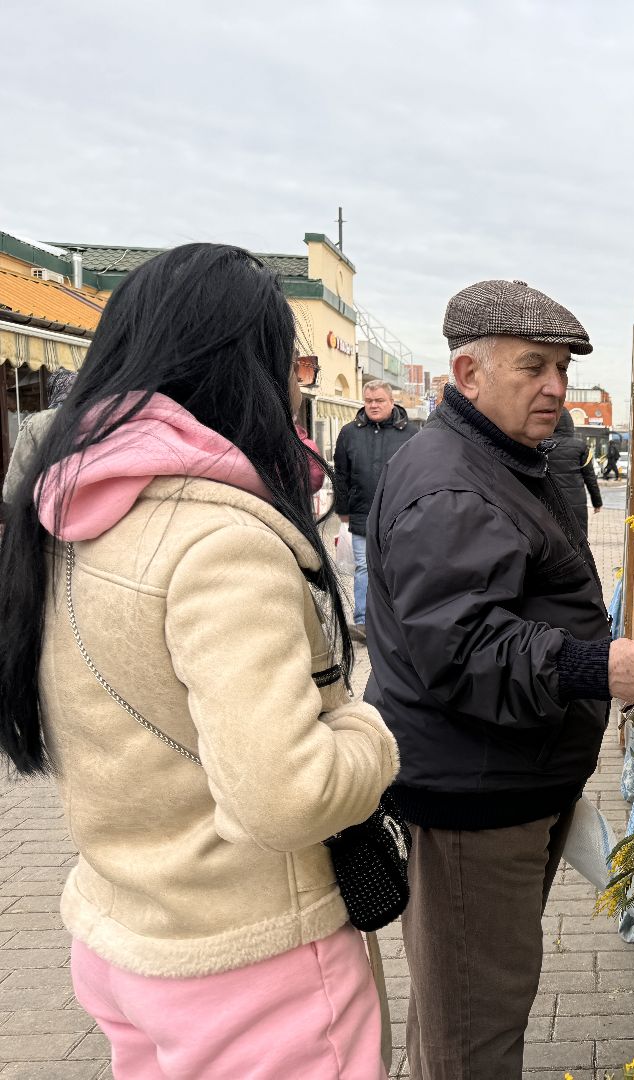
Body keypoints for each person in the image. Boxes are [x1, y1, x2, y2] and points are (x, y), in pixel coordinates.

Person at [0, 243, 400, 1079]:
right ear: (246, 370)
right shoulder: (220, 540)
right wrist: (368, 734)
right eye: (284, 360)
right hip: (253, 965)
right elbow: (287, 796)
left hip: (126, 937)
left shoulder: (67, 506)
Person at [363, 279, 634, 1078]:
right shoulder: (450, 483)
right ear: (468, 375)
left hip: (510, 778)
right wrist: (598, 667)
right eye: (533, 367)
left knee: (470, 1005)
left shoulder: (505, 458)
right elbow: (465, 648)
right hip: (474, 798)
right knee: (475, 1024)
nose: (555, 387)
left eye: (563, 369)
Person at [333, 380, 416, 643]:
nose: (373, 406)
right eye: (369, 401)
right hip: (361, 515)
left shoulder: (411, 434)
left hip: (400, 517)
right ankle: (364, 623)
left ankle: (398, 621)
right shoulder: (349, 433)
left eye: (379, 401)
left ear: (391, 401)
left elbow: (418, 476)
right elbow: (341, 476)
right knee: (364, 569)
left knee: (399, 569)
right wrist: (343, 512)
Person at [2, 368, 76, 512]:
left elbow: (13, 489)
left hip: (46, 511)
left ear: (53, 390)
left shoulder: (36, 424)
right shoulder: (97, 417)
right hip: (88, 509)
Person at [550, 409, 604, 538]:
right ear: (570, 425)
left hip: (549, 501)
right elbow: (590, 478)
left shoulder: (542, 446)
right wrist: (597, 503)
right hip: (575, 503)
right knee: (578, 539)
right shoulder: (580, 447)